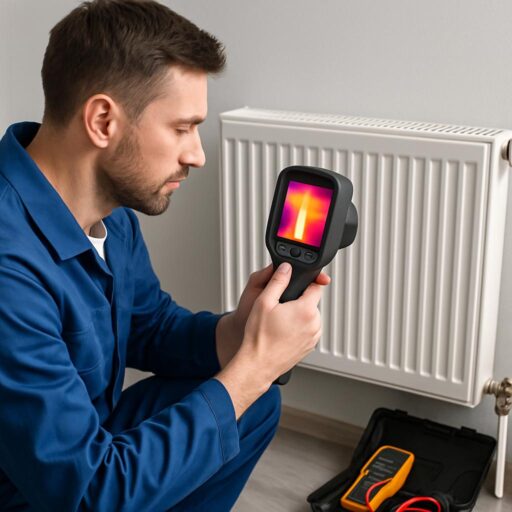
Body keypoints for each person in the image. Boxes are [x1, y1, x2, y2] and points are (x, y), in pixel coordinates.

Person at [0, 1, 330, 511]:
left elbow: (149, 326)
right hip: (37, 491)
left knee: (254, 402)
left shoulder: (109, 215)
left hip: (78, 451)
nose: (197, 154)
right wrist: (252, 369)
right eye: (181, 128)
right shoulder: (9, 269)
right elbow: (87, 493)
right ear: (103, 121)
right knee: (246, 387)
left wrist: (236, 332)